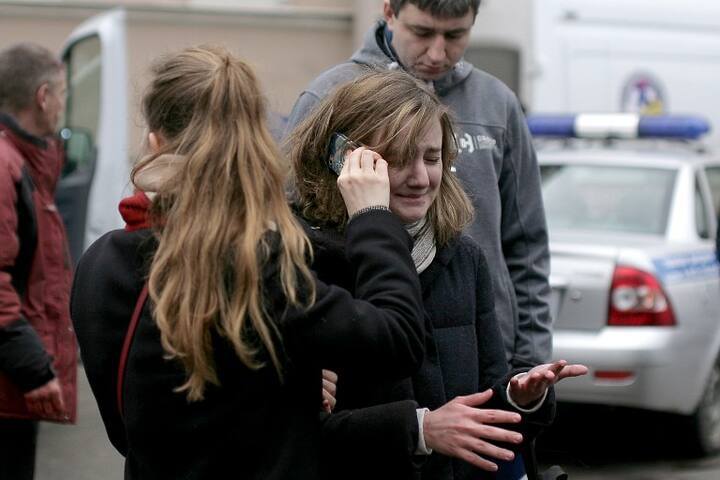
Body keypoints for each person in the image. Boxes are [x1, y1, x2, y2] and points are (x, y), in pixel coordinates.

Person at [70, 45, 427, 480]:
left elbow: (129, 428)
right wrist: (373, 218)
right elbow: (399, 339)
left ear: (154, 140)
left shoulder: (100, 264)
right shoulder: (264, 263)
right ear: (255, 142)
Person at [286, 69, 586, 480]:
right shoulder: (302, 263)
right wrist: (421, 429)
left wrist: (520, 396)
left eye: (432, 157)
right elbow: (294, 437)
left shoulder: (463, 257)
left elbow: (485, 407)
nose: (421, 178)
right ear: (346, 161)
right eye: (397, 159)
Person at [285, 0, 552, 371]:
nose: (438, 52)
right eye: (423, 33)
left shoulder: (497, 104)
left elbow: (526, 245)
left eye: (456, 35)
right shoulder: (330, 94)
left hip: (481, 347)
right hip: (369, 347)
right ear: (390, 12)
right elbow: (292, 225)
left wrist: (531, 356)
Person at [0, 43, 77, 480]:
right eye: (63, 94)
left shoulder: (25, 162)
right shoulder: (5, 164)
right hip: (9, 385)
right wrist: (32, 368)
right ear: (43, 97)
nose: (63, 106)